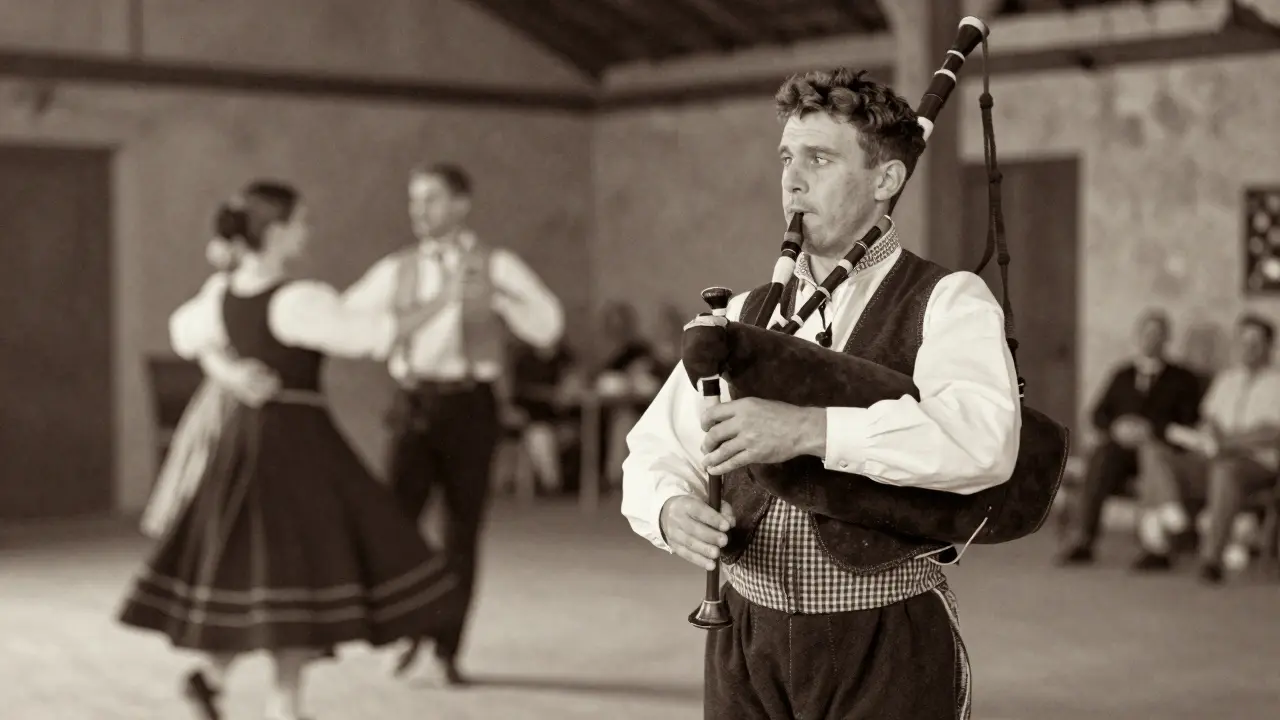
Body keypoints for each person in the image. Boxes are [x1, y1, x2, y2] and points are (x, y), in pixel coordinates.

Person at [621, 68, 1021, 720]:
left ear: (886, 180)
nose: (792, 179)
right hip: (745, 635)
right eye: (787, 158)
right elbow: (655, 449)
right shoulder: (743, 313)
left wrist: (809, 430)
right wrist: (668, 507)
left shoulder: (946, 300)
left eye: (820, 159)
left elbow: (984, 443)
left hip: (883, 632)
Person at [118, 182, 460, 720]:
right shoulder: (296, 300)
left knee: (274, 572)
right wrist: (444, 300)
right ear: (276, 232)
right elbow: (372, 336)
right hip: (296, 446)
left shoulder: (223, 291)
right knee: (300, 571)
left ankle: (233, 686)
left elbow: (191, 336)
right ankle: (278, 705)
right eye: (301, 222)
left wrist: (229, 371)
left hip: (244, 442)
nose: (307, 231)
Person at [340, 162, 564, 684]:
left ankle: (447, 647)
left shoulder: (497, 265)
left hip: (470, 406)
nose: (419, 210)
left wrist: (500, 299)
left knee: (461, 533)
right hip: (413, 404)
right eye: (414, 199)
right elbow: (348, 319)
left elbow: (548, 326)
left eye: (432, 199)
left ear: (462, 204)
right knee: (394, 524)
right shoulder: (396, 269)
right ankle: (410, 622)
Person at [1057, 310, 1205, 570]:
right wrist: (1117, 427)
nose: (1151, 340)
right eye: (1146, 334)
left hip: (1161, 450)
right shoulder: (1122, 374)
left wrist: (1150, 429)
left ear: (1166, 339)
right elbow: (1098, 414)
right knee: (1101, 457)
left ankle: (1155, 549)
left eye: (1157, 335)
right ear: (1138, 337)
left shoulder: (1183, 378)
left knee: (1152, 461)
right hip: (1122, 451)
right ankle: (1083, 539)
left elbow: (1189, 420)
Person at [1161, 313, 1280, 583]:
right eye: (1243, 342)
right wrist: (1213, 435)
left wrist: (1230, 444)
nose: (1248, 349)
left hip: (1258, 464)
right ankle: (1170, 530)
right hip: (1215, 457)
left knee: (1226, 470)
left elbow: (1272, 432)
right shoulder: (1227, 379)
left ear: (1269, 346)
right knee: (1161, 456)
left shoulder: (1277, 383)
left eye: (1255, 343)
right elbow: (1209, 418)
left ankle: (1211, 559)